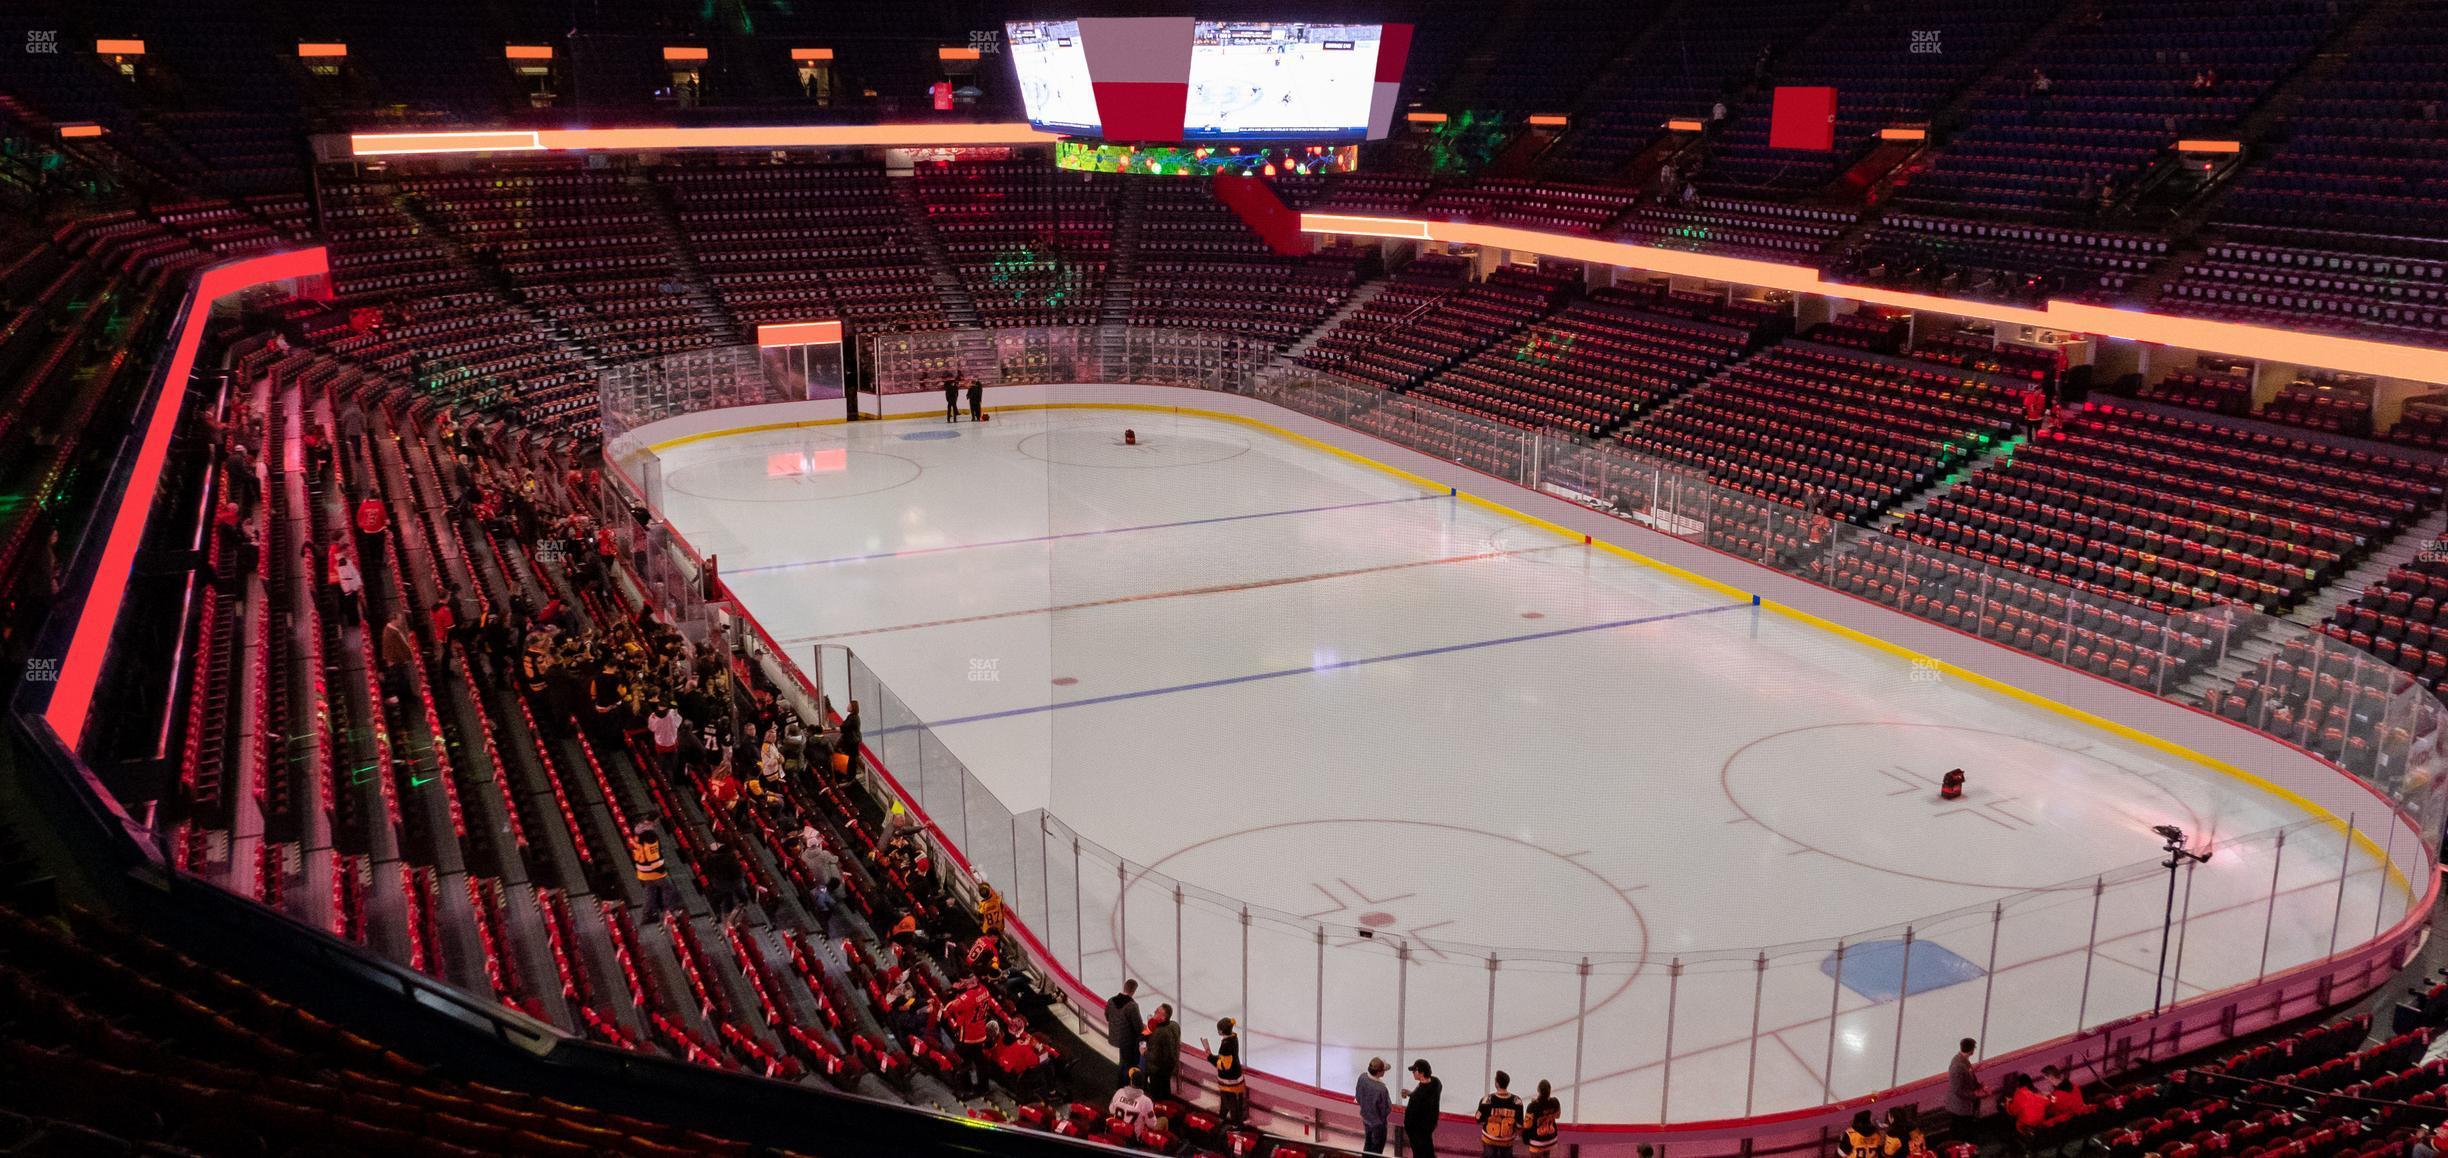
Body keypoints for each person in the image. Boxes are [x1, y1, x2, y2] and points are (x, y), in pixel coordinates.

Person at [630, 823, 679, 923]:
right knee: (668, 889)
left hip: (642, 872)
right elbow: (653, 858)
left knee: (650, 892)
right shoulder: (650, 839)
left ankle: (647, 914)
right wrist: (661, 870)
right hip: (654, 872)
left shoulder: (635, 839)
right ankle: (669, 913)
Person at [1203, 1017, 1247, 1124]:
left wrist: (1210, 1058)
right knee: (1227, 1101)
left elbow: (1224, 1065)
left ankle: (1235, 1125)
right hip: (1233, 1077)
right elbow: (1226, 1059)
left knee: (1232, 1103)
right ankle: (1223, 1117)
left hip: (1230, 1080)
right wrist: (1214, 1057)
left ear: (1221, 1031)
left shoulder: (1226, 1044)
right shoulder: (1233, 1038)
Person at [1477, 1070, 1523, 1157]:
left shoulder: (1487, 1100)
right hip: (1507, 1140)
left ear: (1497, 1083)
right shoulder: (1517, 1101)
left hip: (1490, 1139)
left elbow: (1479, 1120)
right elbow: (1519, 1125)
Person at [1404, 1059, 1444, 1158]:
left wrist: (1413, 1096)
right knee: (1428, 1151)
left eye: (1414, 1071)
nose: (1413, 1073)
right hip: (1429, 1127)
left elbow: (1409, 1120)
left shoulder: (1418, 1096)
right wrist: (1411, 1094)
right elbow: (1425, 1096)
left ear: (1421, 1073)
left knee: (1419, 1154)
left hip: (1418, 1132)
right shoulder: (1436, 1083)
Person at [1105, 978, 1145, 1078]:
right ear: (1134, 991)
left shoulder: (1111, 1000)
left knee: (1123, 1061)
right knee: (1128, 1063)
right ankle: (1124, 1082)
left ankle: (1123, 1081)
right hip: (1128, 1041)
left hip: (1115, 1036)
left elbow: (1107, 1016)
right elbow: (1138, 1027)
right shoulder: (1132, 1006)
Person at [1943, 1038, 1985, 1125]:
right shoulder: (1958, 1066)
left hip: (1964, 1106)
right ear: (1972, 1049)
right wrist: (1975, 1094)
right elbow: (1957, 1090)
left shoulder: (1963, 1060)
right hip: (1959, 1108)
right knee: (1960, 1129)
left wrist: (1978, 1086)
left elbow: (1969, 1076)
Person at [1356, 1057, 1394, 1154]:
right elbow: (1386, 1109)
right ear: (1379, 1072)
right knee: (1376, 1149)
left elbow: (1358, 1096)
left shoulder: (1362, 1077)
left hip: (1366, 1119)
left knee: (1368, 1144)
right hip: (1378, 1124)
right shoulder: (1381, 1089)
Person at [1143, 1003, 1180, 1099]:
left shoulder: (1158, 1033)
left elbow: (1155, 1057)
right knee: (1165, 1090)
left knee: (1156, 1094)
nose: (1154, 1012)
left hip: (1157, 1070)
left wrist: (1144, 1052)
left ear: (1163, 1018)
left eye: (1157, 1012)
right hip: (1168, 1068)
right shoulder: (1174, 1026)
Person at [1523, 1079, 1561, 1155]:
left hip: (1537, 1141)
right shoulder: (1555, 1101)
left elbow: (1527, 1125)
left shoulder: (1532, 1106)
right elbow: (1558, 1116)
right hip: (1551, 1139)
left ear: (1538, 1090)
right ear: (1549, 1090)